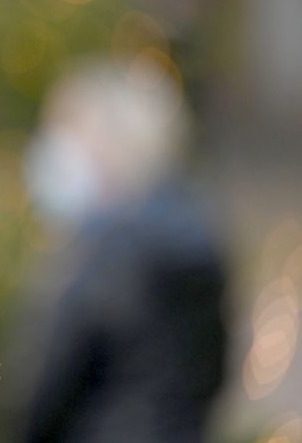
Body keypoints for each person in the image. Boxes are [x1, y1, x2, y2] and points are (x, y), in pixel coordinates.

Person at [14, 58, 228, 443]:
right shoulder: (197, 234)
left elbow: (44, 388)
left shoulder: (108, 251)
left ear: (113, 141)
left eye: (68, 130)